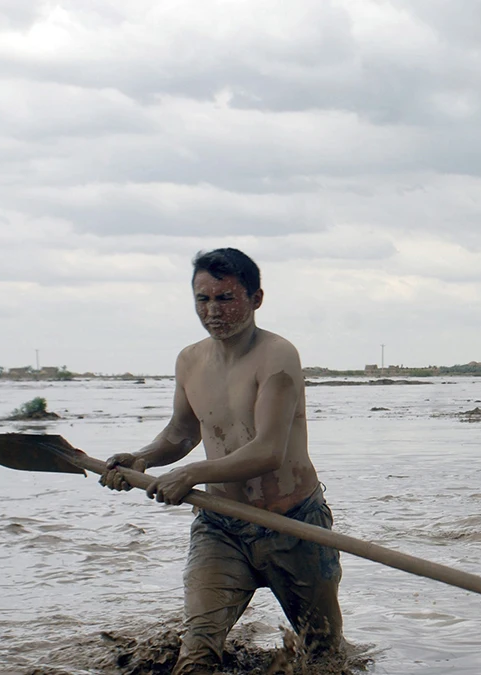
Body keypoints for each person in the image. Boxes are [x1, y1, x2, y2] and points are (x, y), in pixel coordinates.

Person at [99, 248, 343, 674]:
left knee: (325, 657)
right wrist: (141, 459)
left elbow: (269, 451)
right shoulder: (190, 361)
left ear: (255, 299)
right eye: (203, 299)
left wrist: (191, 473)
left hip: (294, 525)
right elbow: (182, 433)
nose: (213, 311)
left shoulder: (277, 356)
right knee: (196, 655)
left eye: (225, 298)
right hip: (221, 526)